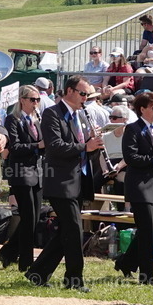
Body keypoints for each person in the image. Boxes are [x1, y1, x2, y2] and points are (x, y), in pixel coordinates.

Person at [25, 75, 102, 292]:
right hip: (60, 181)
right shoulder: (52, 113)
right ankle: (74, 279)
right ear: (69, 91)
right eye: (83, 93)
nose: (85, 98)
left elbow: (85, 148)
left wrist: (95, 145)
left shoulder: (82, 115)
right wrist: (85, 146)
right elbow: (55, 146)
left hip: (79, 180)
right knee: (74, 230)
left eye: (87, 94)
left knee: (65, 232)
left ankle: (38, 272)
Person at [114, 91, 153, 286]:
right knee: (147, 231)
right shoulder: (133, 129)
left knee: (150, 231)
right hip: (140, 186)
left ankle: (125, 262)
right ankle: (147, 276)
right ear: (142, 109)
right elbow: (131, 158)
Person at [0, 85, 44, 273]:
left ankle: (8, 252)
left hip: (37, 172)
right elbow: (14, 147)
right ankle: (25, 262)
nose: (36, 103)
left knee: (34, 218)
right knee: (28, 217)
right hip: (21, 172)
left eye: (38, 100)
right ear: (22, 100)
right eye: (32, 99)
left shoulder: (36, 119)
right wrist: (37, 145)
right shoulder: (13, 119)